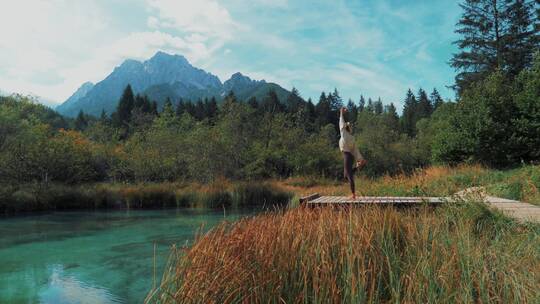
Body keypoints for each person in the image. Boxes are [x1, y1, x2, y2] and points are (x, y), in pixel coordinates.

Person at [339, 107, 367, 199]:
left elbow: (341, 123)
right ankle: (358, 167)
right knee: (346, 175)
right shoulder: (351, 137)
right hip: (350, 156)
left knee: (349, 175)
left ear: (345, 128)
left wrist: (341, 113)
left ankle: (353, 194)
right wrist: (360, 159)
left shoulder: (344, 134)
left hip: (347, 155)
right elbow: (355, 150)